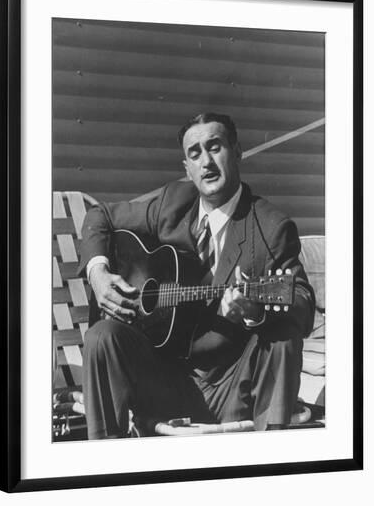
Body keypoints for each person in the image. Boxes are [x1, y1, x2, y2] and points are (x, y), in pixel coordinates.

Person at [78, 112, 315, 439]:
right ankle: (103, 467)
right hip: (162, 379)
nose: (206, 162)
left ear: (238, 150)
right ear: (186, 167)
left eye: (215, 147)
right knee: (101, 336)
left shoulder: (271, 225)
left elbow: (301, 301)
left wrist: (256, 314)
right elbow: (98, 216)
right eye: (195, 153)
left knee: (283, 334)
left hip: (230, 386)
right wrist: (98, 273)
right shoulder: (172, 202)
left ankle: (269, 459)